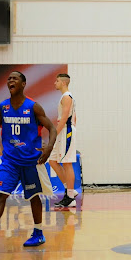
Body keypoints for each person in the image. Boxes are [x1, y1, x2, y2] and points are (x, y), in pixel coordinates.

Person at [0, 71, 57, 249]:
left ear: (23, 84)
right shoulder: (3, 107)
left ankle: (38, 233)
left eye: (15, 78)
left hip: (31, 161)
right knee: (0, 194)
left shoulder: (33, 107)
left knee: (33, 197)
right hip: (9, 161)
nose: (10, 80)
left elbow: (52, 128)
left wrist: (49, 148)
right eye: (8, 78)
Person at [49, 74, 79, 208]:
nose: (55, 83)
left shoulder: (67, 97)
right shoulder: (65, 97)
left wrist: (54, 134)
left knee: (67, 163)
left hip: (65, 132)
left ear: (63, 83)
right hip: (64, 132)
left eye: (57, 81)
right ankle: (69, 189)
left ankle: (70, 197)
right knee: (52, 161)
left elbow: (66, 118)